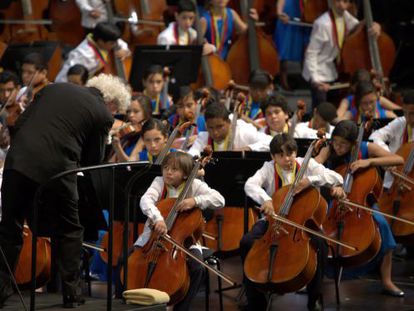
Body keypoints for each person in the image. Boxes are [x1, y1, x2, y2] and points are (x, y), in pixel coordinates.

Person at [0, 73, 131, 308]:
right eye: (115, 112)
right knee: (70, 229)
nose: (114, 115)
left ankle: (0, 290)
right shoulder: (102, 114)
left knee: (10, 228)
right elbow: (92, 161)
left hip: (17, 163)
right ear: (111, 103)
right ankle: (71, 294)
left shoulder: (53, 88)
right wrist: (107, 139)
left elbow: (18, 125)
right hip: (57, 171)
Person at [241, 133, 345, 311]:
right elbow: (250, 184)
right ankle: (256, 298)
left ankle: (315, 297)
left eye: (289, 154)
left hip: (302, 223)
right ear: (273, 157)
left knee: (320, 244)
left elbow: (337, 178)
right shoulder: (268, 168)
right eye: (280, 155)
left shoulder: (307, 165)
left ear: (295, 153)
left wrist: (309, 181)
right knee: (246, 242)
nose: (286, 159)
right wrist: (266, 199)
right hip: (273, 221)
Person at [315, 120, 405, 297]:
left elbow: (398, 159)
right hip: (336, 201)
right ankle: (315, 279)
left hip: (362, 203)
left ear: (354, 144)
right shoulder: (329, 149)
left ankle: (387, 281)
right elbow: (315, 166)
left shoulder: (365, 147)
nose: (338, 147)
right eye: (336, 142)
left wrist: (369, 162)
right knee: (317, 232)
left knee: (384, 227)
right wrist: (330, 182)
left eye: (343, 144)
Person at [133, 151, 225, 310]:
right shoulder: (159, 182)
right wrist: (158, 218)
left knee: (198, 268)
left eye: (174, 169)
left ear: (186, 174)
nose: (168, 172)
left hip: (184, 241)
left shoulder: (195, 185)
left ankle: (182, 308)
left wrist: (195, 200)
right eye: (166, 167)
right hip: (153, 239)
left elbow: (219, 200)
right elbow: (146, 200)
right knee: (126, 261)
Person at [302, 0, 381, 108]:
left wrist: (375, 25)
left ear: (349, 4)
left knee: (333, 104)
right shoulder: (322, 23)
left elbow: (360, 26)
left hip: (332, 69)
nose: (341, 5)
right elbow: (311, 53)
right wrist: (316, 79)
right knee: (321, 107)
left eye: (345, 1)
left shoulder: (346, 17)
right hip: (317, 69)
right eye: (337, 1)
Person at [55, 22, 130, 83]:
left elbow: (119, 42)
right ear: (101, 41)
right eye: (112, 43)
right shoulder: (84, 55)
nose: (115, 46)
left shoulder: (97, 38)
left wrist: (125, 50)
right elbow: (63, 79)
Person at [188, 102, 272, 156]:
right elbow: (191, 155)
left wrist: (248, 148)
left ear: (229, 122)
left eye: (219, 127)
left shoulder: (243, 131)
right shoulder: (203, 137)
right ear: (206, 125)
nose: (215, 132)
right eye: (211, 128)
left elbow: (270, 141)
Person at [369, 90, 414, 189]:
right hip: (392, 182)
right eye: (405, 112)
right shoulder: (400, 122)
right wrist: (389, 157)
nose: (408, 118)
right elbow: (375, 136)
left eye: (412, 114)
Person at [336, 69, 401, 121]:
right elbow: (337, 119)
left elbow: (401, 111)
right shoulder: (350, 108)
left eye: (372, 102)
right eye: (364, 103)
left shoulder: (380, 102)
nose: (369, 106)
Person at [274, 0, 311, 90]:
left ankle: (306, 79)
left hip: (304, 18)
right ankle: (283, 80)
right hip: (287, 19)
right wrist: (279, 13)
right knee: (284, 52)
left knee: (305, 50)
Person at [111, 94, 152, 162]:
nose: (131, 115)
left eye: (136, 111)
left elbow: (131, 164)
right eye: (128, 111)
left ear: (146, 113)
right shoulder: (128, 132)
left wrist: (118, 148)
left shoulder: (146, 134)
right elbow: (111, 161)